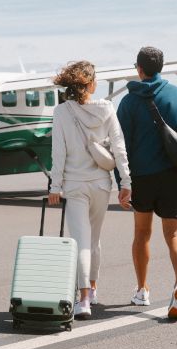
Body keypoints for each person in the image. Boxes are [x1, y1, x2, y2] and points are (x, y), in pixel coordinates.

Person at [49, 60, 131, 319]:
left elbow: (58, 153)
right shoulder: (106, 108)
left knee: (81, 242)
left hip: (74, 186)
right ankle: (92, 290)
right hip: (101, 184)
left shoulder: (62, 112)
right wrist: (126, 182)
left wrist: (55, 185)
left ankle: (83, 299)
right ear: (91, 84)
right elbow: (119, 148)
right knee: (94, 241)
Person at [117, 46, 177, 318]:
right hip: (173, 176)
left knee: (141, 234)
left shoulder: (128, 102)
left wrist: (121, 182)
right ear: (162, 67)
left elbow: (121, 146)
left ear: (138, 68)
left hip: (141, 178)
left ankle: (142, 290)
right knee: (174, 235)